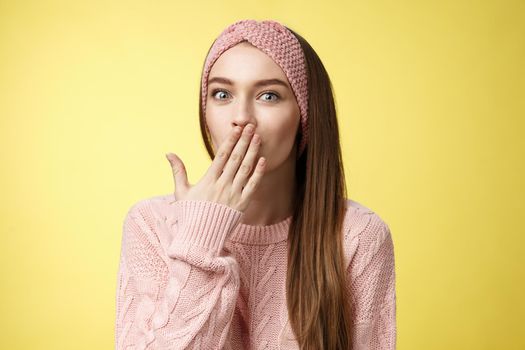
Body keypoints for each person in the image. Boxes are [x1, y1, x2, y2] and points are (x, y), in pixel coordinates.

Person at [114, 19, 396, 350]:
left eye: (268, 95)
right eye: (222, 94)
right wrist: (200, 240)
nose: (242, 116)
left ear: (305, 116)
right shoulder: (152, 224)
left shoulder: (357, 235)